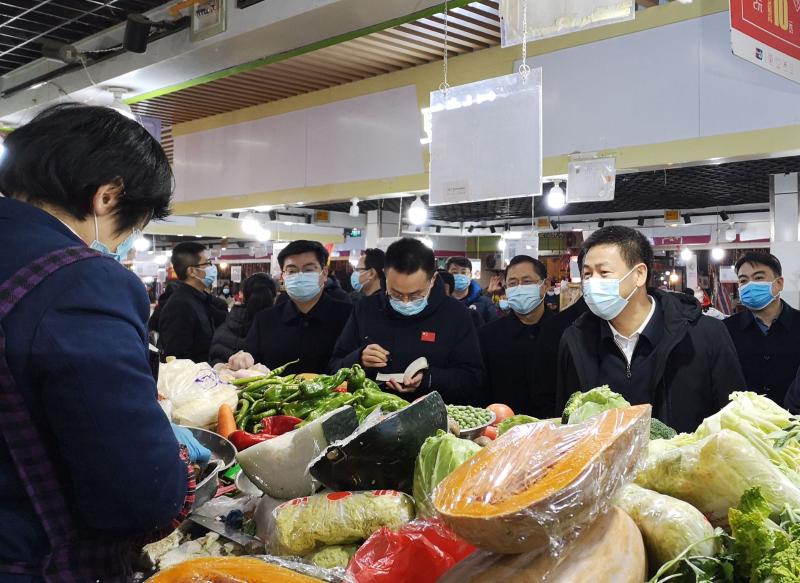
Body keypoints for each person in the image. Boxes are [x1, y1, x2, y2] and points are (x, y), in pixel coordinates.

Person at [0, 104, 208, 581]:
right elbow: (137, 497)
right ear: (108, 198)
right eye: (135, 227)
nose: (128, 243)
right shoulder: (80, 281)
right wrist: (171, 462)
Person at [556, 226, 745, 433]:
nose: (592, 283)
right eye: (587, 274)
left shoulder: (705, 334)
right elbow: (567, 425)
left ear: (639, 274)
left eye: (604, 273)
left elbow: (735, 417)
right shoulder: (576, 340)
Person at [329, 238, 485, 405]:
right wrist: (359, 358)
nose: (405, 302)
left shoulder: (456, 314)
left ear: (432, 279)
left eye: (415, 295)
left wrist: (429, 379)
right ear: (386, 277)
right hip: (369, 415)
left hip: (434, 419)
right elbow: (333, 368)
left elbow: (473, 379)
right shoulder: (365, 309)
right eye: (396, 294)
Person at [228, 240, 352, 375]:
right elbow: (249, 365)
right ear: (283, 276)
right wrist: (241, 360)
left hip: (338, 395)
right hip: (276, 395)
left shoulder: (348, 316)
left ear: (324, 273)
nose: (300, 276)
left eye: (308, 270)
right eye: (292, 271)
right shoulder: (265, 320)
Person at [724, 252, 800, 407]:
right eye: (743, 281)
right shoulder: (726, 330)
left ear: (779, 283)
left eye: (758, 278)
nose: (750, 285)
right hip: (743, 425)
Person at [479, 256, 553, 413]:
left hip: (555, 427)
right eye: (512, 283)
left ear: (545, 285)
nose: (519, 288)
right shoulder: (488, 336)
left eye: (527, 282)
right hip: (502, 428)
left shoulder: (563, 332)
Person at [158, 242, 222, 363]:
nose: (212, 268)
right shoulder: (179, 306)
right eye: (207, 263)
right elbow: (177, 359)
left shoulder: (201, 299)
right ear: (192, 271)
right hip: (190, 379)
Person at [209, 273, 278, 365]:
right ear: (274, 298)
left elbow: (216, 362)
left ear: (243, 297)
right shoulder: (281, 327)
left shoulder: (228, 324)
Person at [446, 256, 498, 323]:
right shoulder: (440, 302)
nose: (459, 275)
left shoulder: (485, 303)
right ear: (447, 275)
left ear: (470, 276)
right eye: (454, 272)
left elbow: (493, 329)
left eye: (463, 272)